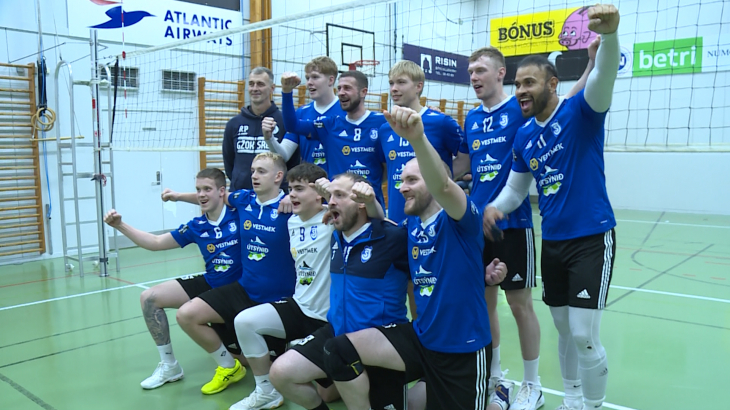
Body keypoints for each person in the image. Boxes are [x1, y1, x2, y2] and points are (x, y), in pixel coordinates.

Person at [320, 106, 508, 410]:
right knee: (339, 350)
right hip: (421, 340)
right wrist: (358, 201)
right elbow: (382, 225)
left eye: (411, 180)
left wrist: (417, 138)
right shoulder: (411, 228)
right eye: (401, 179)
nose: (401, 187)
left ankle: (497, 399)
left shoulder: (460, 218)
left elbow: (443, 185)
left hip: (461, 349)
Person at [483, 5, 620, 410]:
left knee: (583, 333)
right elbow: (515, 190)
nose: (521, 90)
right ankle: (572, 399)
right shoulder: (524, 136)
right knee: (563, 328)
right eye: (517, 84)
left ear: (553, 84)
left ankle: (591, 405)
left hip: (592, 237)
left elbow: (604, 74)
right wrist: (495, 208)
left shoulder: (583, 111)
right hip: (554, 241)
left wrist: (610, 36)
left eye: (529, 82)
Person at [451, 38, 598, 410]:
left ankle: (532, 385)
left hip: (513, 224)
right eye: (470, 72)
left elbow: (566, 104)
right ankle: (495, 379)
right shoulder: (471, 118)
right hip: (476, 226)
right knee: (484, 305)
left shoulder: (520, 108)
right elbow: (461, 167)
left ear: (501, 73)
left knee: (519, 306)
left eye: (480, 70)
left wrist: (590, 66)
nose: (474, 77)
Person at [228, 162, 384, 410]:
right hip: (300, 306)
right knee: (245, 322)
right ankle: (266, 390)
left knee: (327, 395)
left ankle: (355, 371)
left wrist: (333, 197)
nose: (292, 194)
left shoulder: (335, 222)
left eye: (299, 189)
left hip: (328, 317)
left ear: (319, 193)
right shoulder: (291, 221)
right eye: (290, 189)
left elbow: (374, 220)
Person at [269, 173, 411, 410]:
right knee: (282, 373)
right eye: (330, 196)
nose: (330, 202)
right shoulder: (335, 234)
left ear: (362, 203)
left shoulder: (390, 237)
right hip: (337, 333)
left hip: (378, 340)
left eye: (339, 195)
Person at [162, 152, 295, 395]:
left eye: (261, 171)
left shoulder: (291, 207)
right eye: (253, 170)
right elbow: (213, 195)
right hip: (245, 289)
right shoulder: (243, 199)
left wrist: (294, 198)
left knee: (287, 370)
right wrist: (178, 196)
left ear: (278, 176)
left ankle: (271, 370)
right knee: (187, 314)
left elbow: (323, 207)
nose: (254, 176)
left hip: (279, 298)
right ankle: (230, 367)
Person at [103, 168, 242, 390]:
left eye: (207, 189)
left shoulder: (240, 214)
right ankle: (170, 366)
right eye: (198, 189)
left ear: (222, 191)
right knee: (149, 298)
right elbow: (156, 243)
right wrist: (120, 225)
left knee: (190, 317)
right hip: (211, 282)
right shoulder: (196, 226)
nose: (201, 195)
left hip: (238, 290)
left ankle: (231, 363)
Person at [279, 70, 388, 207]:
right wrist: (287, 92)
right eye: (339, 88)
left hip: (371, 206)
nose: (341, 92)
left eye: (347, 88)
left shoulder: (381, 122)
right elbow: (293, 125)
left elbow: (387, 166)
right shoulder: (330, 125)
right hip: (338, 207)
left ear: (363, 92)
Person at [379, 60, 463, 224]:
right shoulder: (385, 129)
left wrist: (440, 178)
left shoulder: (441, 123)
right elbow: (386, 168)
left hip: (435, 221)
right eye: (391, 83)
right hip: (397, 219)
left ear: (418, 86)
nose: (394, 88)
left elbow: (465, 159)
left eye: (401, 82)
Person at [223, 66, 299, 191]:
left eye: (260, 84)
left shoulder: (284, 121)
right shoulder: (234, 124)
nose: (255, 88)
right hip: (242, 195)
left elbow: (293, 163)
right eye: (251, 84)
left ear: (272, 88)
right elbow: (229, 163)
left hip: (276, 197)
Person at [264, 56, 344, 172]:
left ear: (331, 80)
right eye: (307, 78)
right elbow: (283, 155)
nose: (309, 83)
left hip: (339, 181)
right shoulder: (302, 113)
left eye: (315, 77)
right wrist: (269, 138)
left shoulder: (345, 111)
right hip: (309, 181)